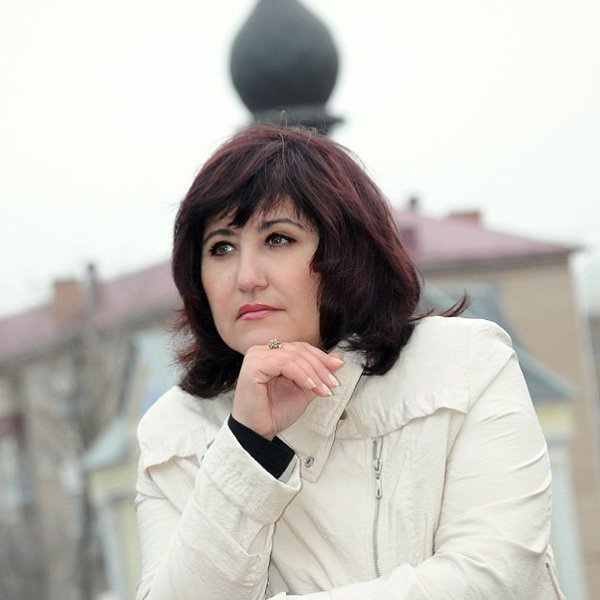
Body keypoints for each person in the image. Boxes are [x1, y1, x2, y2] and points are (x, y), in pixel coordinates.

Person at [135, 124, 564, 599]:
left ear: (346, 253)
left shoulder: (464, 364)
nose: (246, 277)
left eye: (278, 239)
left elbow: (497, 579)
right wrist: (247, 445)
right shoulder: (174, 433)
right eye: (221, 247)